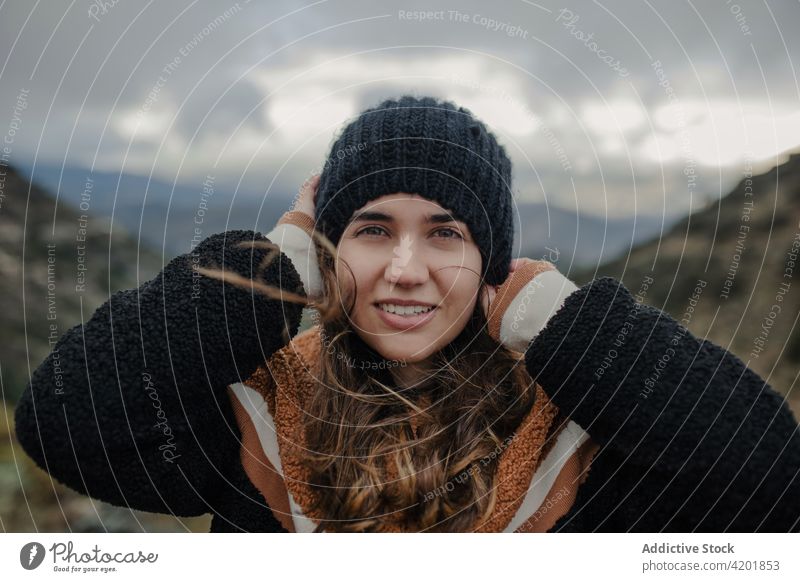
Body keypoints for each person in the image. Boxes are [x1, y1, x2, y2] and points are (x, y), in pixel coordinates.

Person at [15, 95, 800, 533]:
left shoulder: (574, 438)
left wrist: (566, 325)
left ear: (491, 262)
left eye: (447, 233)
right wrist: (272, 271)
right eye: (372, 229)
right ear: (332, 248)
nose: (404, 269)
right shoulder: (259, 418)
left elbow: (773, 479)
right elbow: (62, 418)